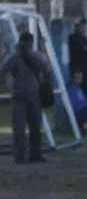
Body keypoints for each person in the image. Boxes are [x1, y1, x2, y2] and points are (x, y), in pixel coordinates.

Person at [0, 32, 49, 164]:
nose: (27, 45)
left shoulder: (35, 56)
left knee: (35, 127)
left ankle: (35, 154)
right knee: (19, 128)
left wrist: (30, 55)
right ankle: (20, 156)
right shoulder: (15, 57)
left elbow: (45, 67)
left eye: (29, 43)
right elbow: (3, 68)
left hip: (34, 96)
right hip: (19, 96)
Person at [68, 18, 87, 94]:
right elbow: (81, 51)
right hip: (78, 71)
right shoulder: (73, 38)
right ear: (77, 27)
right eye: (81, 26)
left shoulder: (86, 39)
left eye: (84, 26)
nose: (83, 28)